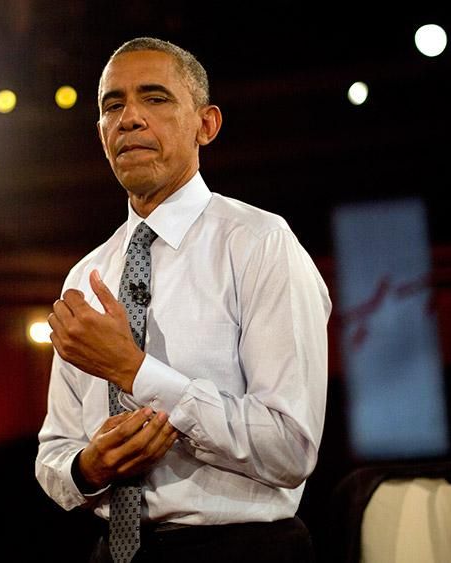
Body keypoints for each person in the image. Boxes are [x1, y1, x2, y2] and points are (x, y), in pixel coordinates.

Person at [36, 37, 331, 563]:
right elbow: (54, 452)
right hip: (113, 552)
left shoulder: (260, 243)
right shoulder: (84, 276)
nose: (128, 118)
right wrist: (89, 468)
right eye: (112, 106)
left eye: (155, 98)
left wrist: (134, 371)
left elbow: (291, 447)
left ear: (206, 124)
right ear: (101, 134)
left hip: (243, 551)